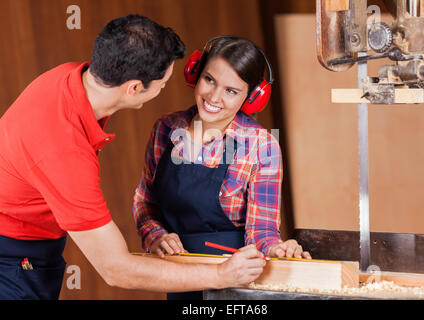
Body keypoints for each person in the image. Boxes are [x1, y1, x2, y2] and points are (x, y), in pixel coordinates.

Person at [0, 15, 265, 300]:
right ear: (134, 88)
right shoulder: (64, 152)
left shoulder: (69, 78)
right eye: (162, 83)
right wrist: (220, 275)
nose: (165, 88)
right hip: (14, 255)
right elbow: (116, 269)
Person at [133, 36, 311, 300]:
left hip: (236, 287)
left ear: (252, 97)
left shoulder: (261, 146)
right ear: (195, 73)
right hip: (178, 278)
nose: (214, 97)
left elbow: (261, 231)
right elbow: (145, 203)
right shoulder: (166, 130)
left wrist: (277, 250)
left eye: (231, 91)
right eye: (209, 80)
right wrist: (155, 236)